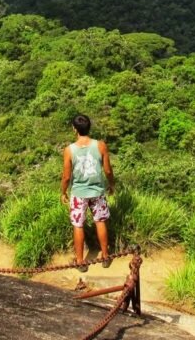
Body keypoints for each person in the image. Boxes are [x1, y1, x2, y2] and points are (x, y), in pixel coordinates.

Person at [60, 114, 115, 272]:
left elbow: (66, 176)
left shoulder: (69, 150)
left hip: (78, 193)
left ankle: (80, 261)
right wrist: (111, 185)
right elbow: (108, 170)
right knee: (100, 221)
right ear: (89, 127)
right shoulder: (100, 145)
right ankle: (105, 256)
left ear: (74, 129)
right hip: (97, 191)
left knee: (78, 225)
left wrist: (63, 192)